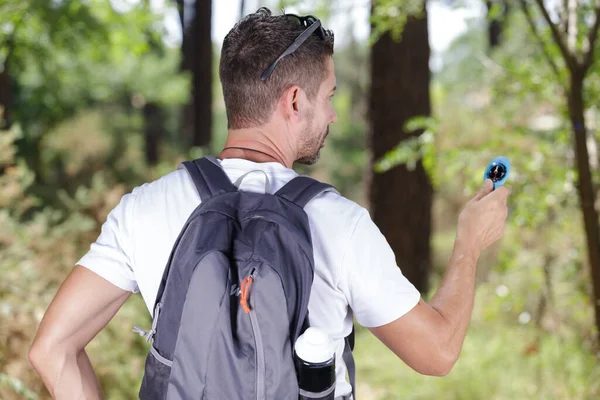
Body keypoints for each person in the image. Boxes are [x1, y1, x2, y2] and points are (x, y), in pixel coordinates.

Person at [28, 7, 510, 399]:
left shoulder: (144, 209)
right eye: (329, 97)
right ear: (295, 100)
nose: (334, 113)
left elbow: (51, 351)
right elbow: (439, 353)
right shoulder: (339, 224)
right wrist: (469, 243)